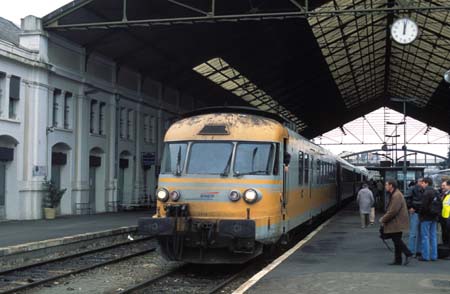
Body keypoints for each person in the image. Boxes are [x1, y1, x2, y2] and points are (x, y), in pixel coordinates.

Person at [380, 179, 412, 265]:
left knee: (396, 240)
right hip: (397, 222)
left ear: (391, 185)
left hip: (397, 222)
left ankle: (408, 253)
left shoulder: (396, 195)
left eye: (386, 184)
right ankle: (398, 260)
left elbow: (393, 211)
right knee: (396, 240)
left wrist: (383, 219)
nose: (385, 186)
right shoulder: (395, 194)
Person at [418, 177, 439, 261]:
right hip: (434, 217)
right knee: (433, 236)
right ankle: (434, 256)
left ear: (426, 183)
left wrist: (420, 214)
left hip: (426, 217)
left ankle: (425, 256)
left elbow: (423, 206)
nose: (421, 185)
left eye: (422, 183)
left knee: (425, 237)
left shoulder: (426, 193)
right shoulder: (436, 192)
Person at [406, 178, 424, 257]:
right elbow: (407, 199)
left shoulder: (416, 189)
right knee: (415, 233)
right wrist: (410, 207)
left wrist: (410, 207)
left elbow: (407, 198)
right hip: (417, 212)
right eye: (421, 182)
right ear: (418, 182)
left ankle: (417, 251)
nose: (423, 183)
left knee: (417, 232)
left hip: (420, 212)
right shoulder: (413, 189)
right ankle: (412, 251)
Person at [441, 180, 450, 247]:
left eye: (444, 185)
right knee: (445, 233)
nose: (442, 187)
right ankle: (445, 248)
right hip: (444, 216)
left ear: (449, 186)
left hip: (448, 217)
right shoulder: (444, 194)